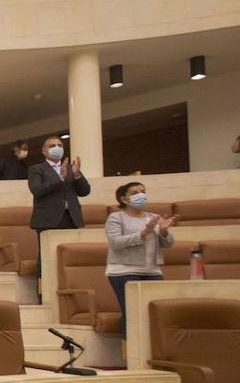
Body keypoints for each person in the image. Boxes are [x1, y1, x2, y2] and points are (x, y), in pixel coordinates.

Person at [106, 182, 177, 339]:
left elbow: (169, 244)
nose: (141, 195)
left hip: (152, 270)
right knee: (132, 313)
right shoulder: (116, 217)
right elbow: (115, 243)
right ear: (124, 199)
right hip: (123, 271)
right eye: (135, 192)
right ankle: (131, 353)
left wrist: (164, 231)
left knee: (156, 312)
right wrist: (143, 233)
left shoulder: (153, 217)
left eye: (143, 191)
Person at [28, 136, 91, 284]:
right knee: (46, 258)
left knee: (73, 256)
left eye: (59, 145)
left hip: (71, 217)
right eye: (52, 145)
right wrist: (60, 179)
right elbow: (37, 190)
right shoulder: (36, 169)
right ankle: (43, 293)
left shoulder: (71, 168)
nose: (57, 148)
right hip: (47, 219)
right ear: (44, 151)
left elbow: (85, 191)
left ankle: (72, 287)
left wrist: (77, 175)